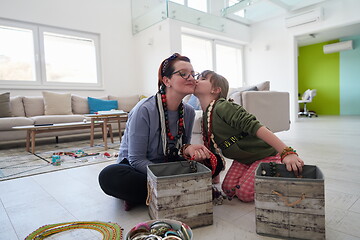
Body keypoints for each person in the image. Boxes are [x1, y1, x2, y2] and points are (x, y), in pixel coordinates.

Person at [98, 54, 221, 211]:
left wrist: (188, 149)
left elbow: (180, 150)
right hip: (139, 169)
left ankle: (154, 195)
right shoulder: (144, 109)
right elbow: (136, 160)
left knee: (213, 160)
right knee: (109, 176)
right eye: (183, 73)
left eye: (193, 74)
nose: (191, 78)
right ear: (166, 80)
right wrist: (169, 176)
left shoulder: (188, 112)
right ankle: (182, 191)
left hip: (169, 163)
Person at [194, 70, 304, 202]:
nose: (197, 80)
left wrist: (287, 152)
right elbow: (213, 146)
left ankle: (278, 166)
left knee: (244, 194)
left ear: (216, 89)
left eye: (203, 78)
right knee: (228, 189)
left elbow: (255, 126)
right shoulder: (206, 115)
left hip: (264, 154)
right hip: (244, 159)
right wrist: (214, 174)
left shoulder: (223, 106)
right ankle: (258, 173)